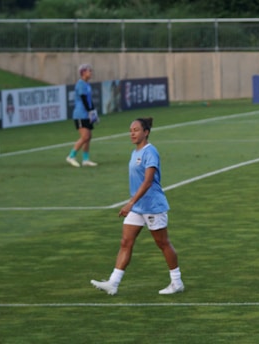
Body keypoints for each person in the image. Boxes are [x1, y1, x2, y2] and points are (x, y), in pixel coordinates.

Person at [91, 117, 184, 296]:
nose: (132, 133)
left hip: (152, 205)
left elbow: (148, 181)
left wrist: (130, 202)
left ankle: (177, 282)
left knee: (162, 243)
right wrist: (134, 204)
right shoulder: (135, 153)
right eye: (130, 130)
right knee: (126, 242)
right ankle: (113, 282)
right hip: (138, 206)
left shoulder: (151, 152)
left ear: (146, 132)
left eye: (136, 130)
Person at [66, 63, 98, 167]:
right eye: (89, 71)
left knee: (89, 137)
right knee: (85, 136)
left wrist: (93, 112)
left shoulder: (87, 84)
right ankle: (71, 156)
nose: (91, 72)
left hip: (86, 114)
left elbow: (89, 100)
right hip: (80, 114)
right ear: (83, 72)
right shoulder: (80, 84)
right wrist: (89, 111)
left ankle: (85, 159)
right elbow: (84, 99)